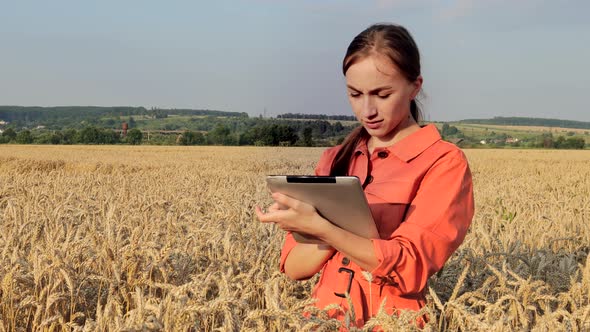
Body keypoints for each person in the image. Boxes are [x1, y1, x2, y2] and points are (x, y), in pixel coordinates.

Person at [255, 23, 474, 328]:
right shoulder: (334, 159)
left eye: (382, 94)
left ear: (415, 86)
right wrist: (311, 226)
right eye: (355, 94)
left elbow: (410, 266)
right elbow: (294, 267)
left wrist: (323, 227)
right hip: (323, 321)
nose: (367, 109)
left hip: (393, 323)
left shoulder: (443, 163)